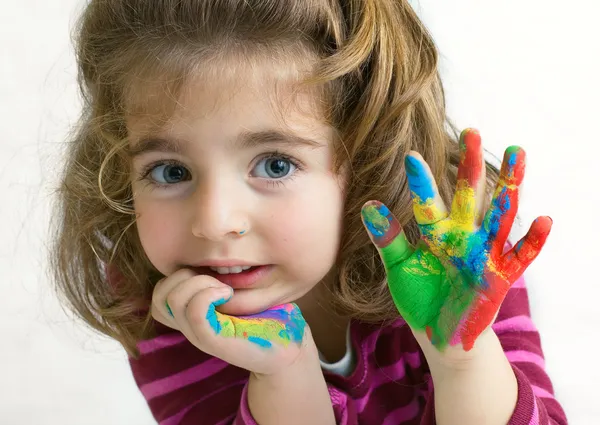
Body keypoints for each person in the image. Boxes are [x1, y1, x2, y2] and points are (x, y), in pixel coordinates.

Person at [50, 0, 568, 424]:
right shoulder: (166, 311)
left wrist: (462, 362)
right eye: (170, 171)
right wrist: (284, 372)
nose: (214, 221)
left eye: (274, 165)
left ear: (368, 156)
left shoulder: (454, 261)